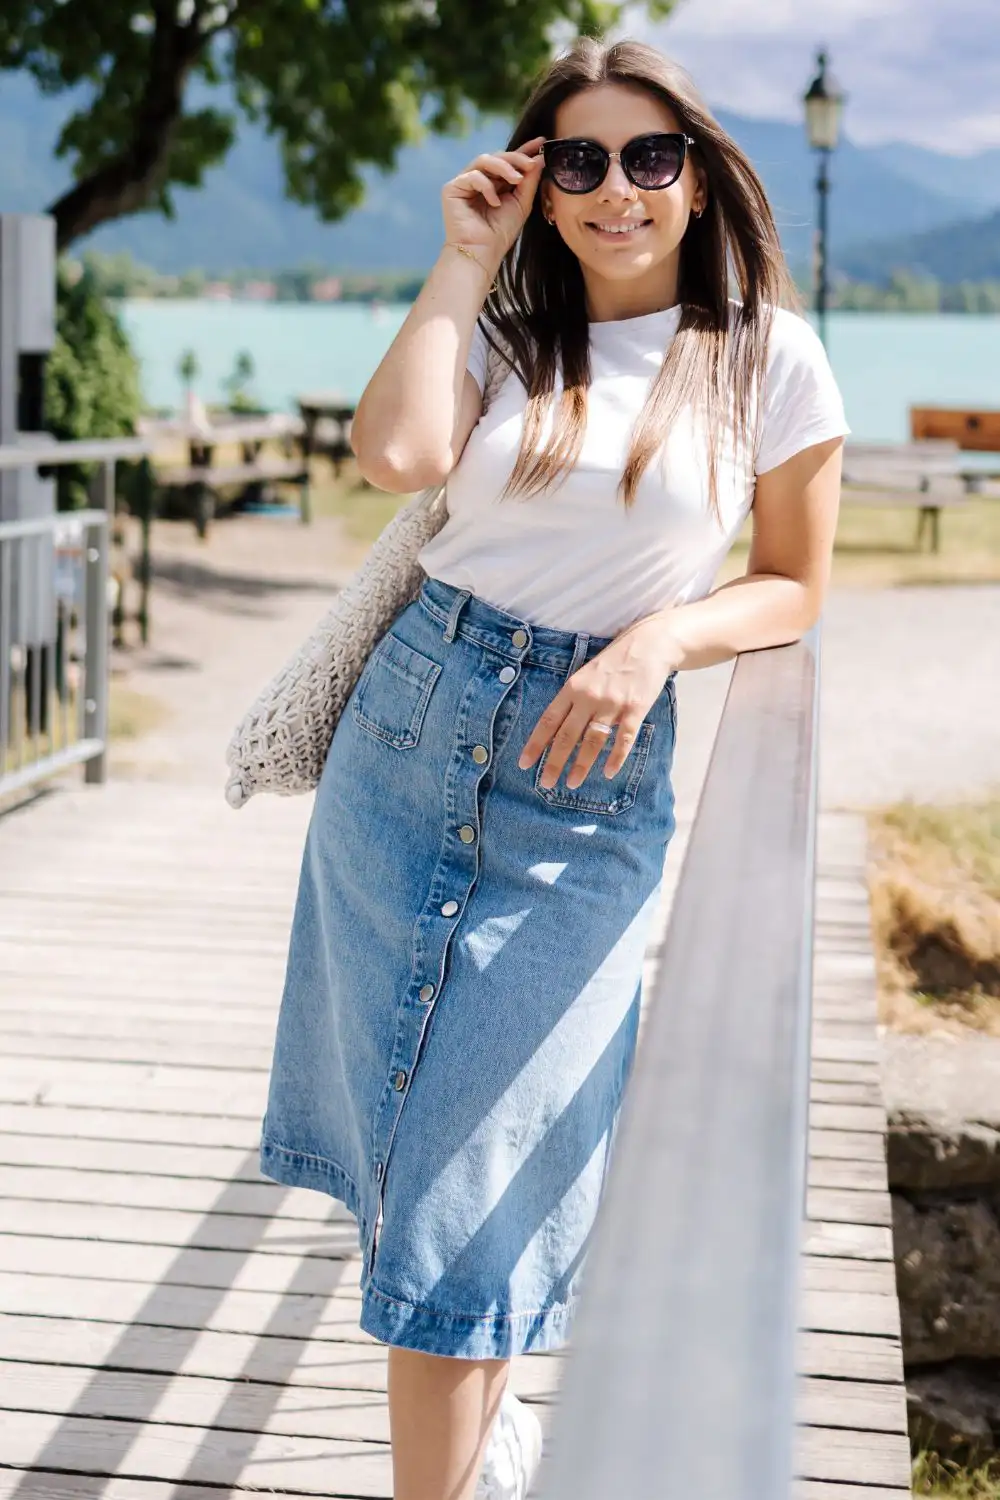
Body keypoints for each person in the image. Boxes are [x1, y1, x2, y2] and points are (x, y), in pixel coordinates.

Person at [259, 34, 848, 1500]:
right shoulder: (509, 333)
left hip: (581, 786)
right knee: (413, 1134)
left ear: (699, 178)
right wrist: (464, 258)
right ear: (539, 182)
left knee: (477, 1161)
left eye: (649, 158)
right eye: (575, 161)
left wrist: (658, 645)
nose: (614, 190)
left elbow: (792, 585)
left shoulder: (766, 353)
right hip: (406, 742)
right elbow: (395, 456)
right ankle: (475, 1448)